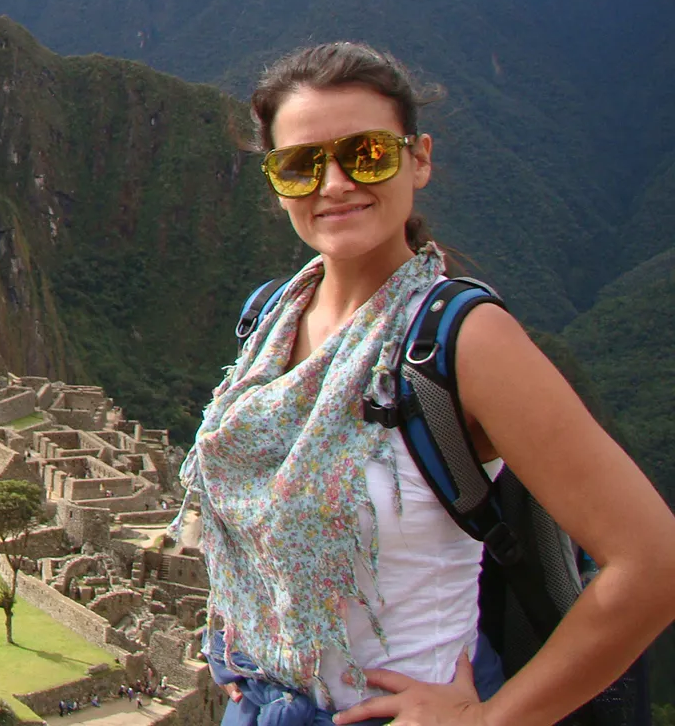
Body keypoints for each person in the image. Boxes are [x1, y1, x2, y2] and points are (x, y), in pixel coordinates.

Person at [177, 42, 675, 726]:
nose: (335, 184)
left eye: (367, 154)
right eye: (301, 165)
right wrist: (241, 642)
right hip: (257, 705)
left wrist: (491, 720)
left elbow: (655, 564)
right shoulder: (270, 317)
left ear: (420, 158)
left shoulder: (462, 340)